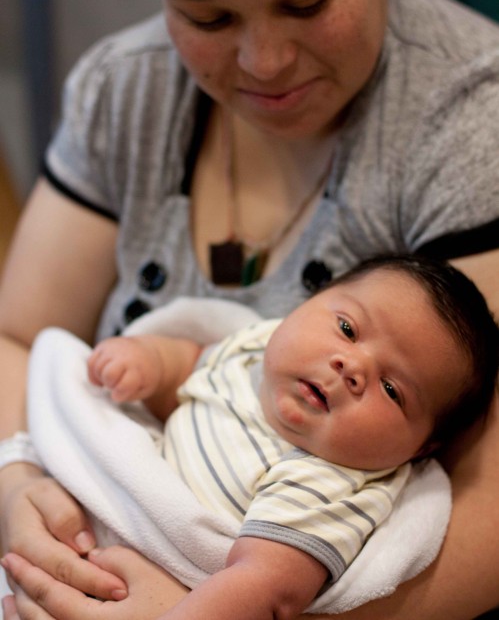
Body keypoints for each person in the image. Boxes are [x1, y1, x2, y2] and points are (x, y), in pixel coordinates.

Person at [0, 0, 498, 618]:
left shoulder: (471, 127)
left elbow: (487, 504)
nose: (264, 61)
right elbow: (18, 337)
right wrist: (17, 484)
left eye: (306, 3)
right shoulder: (124, 91)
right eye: (205, 16)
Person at [81, 255, 499, 620]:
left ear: (419, 449)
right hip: (92, 514)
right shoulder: (254, 350)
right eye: (348, 329)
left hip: (146, 578)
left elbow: (259, 589)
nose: (350, 366)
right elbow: (191, 366)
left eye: (392, 390)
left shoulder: (324, 484)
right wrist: (149, 362)